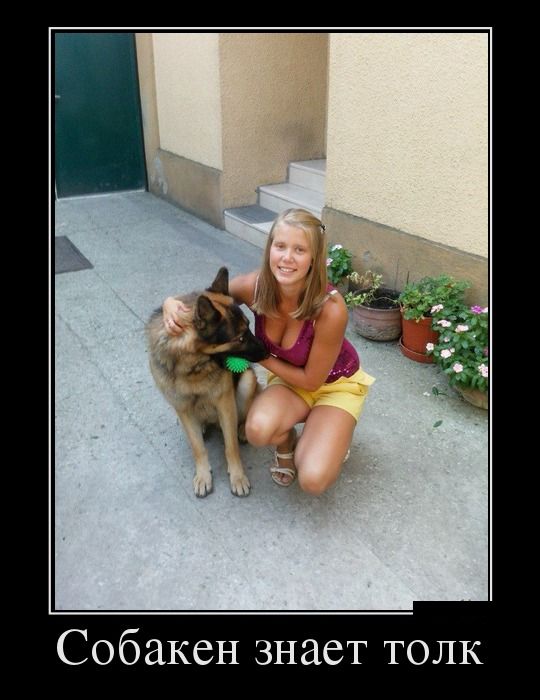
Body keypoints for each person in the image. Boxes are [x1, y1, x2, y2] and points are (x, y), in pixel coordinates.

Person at [162, 208, 375, 495]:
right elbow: (207, 301)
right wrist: (170, 303)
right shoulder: (254, 286)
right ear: (269, 249)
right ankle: (287, 441)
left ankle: (333, 435)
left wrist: (259, 355)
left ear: (314, 257)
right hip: (289, 382)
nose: (287, 258)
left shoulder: (331, 309)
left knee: (312, 479)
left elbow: (312, 381)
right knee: (257, 430)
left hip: (335, 385)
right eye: (280, 246)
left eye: (299, 250)